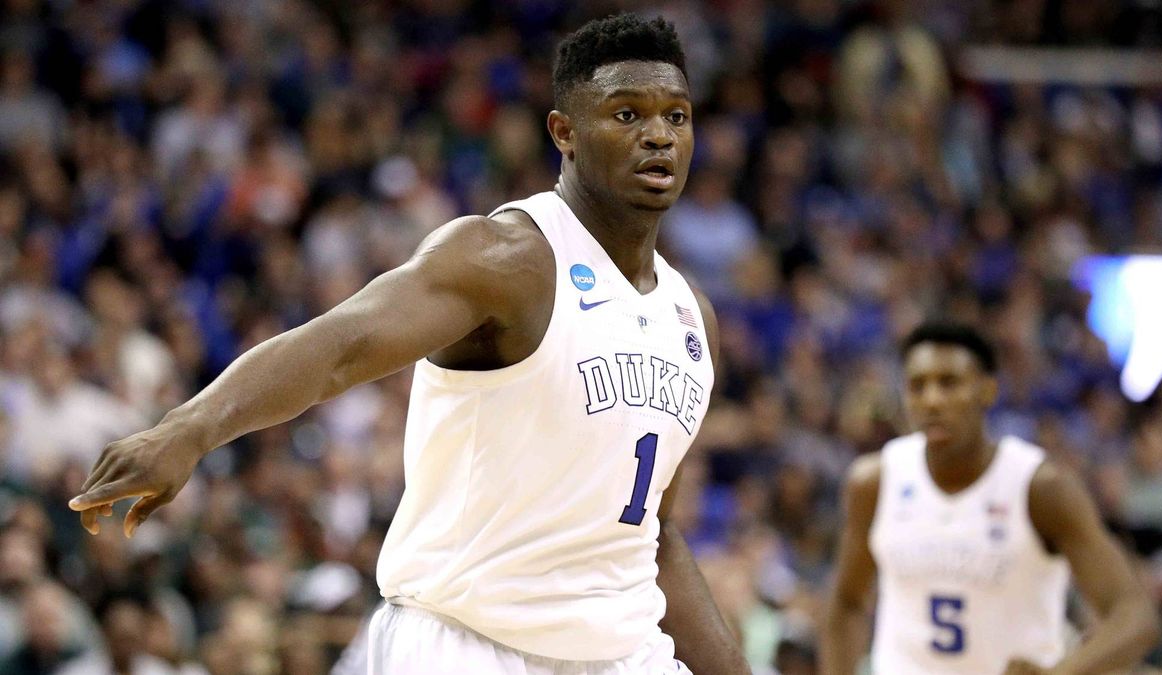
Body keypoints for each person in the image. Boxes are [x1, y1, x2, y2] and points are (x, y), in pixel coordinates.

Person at [68, 14, 750, 675]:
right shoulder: (504, 258)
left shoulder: (692, 318)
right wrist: (190, 427)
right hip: (466, 641)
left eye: (676, 116)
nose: (658, 136)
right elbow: (338, 347)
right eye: (627, 114)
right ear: (564, 132)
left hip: (621, 650)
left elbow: (649, 536)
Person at [819, 322, 1162, 675]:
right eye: (917, 386)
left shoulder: (1040, 488)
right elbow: (846, 603)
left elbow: (1135, 616)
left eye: (949, 383)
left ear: (988, 390)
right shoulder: (875, 482)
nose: (932, 400)